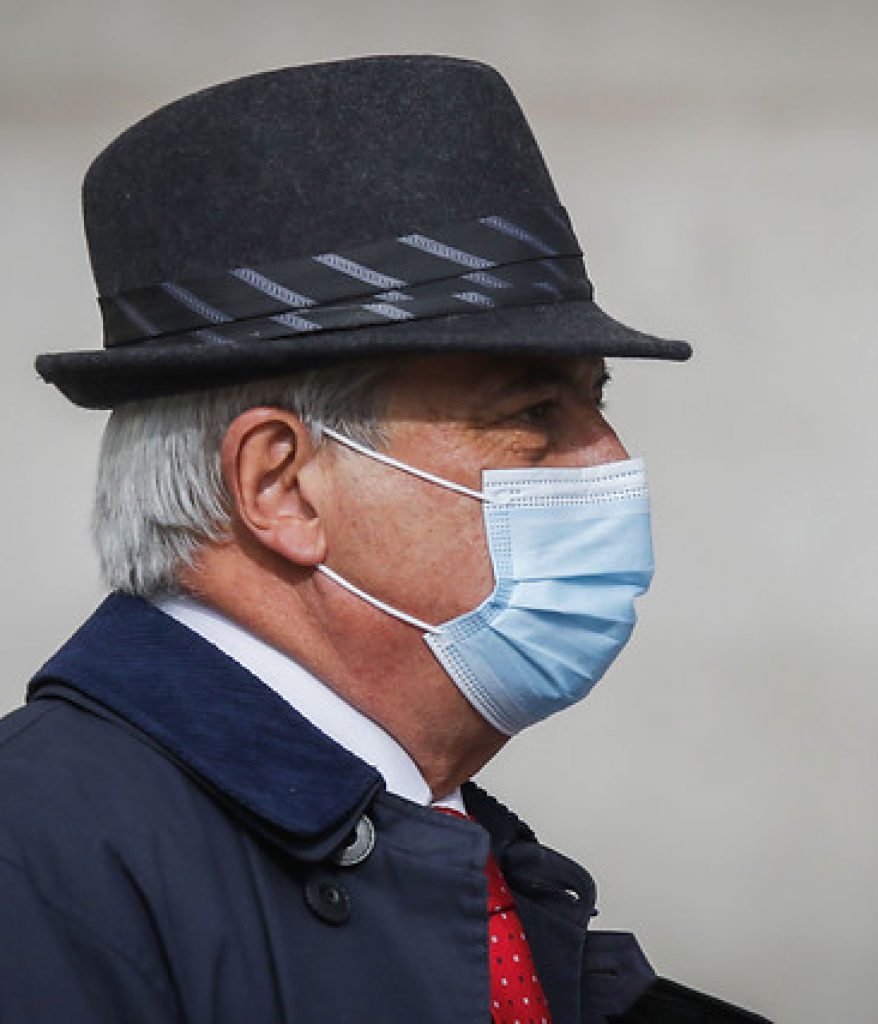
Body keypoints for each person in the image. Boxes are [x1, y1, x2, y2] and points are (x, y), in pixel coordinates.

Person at [0, 57, 769, 1023]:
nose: (611, 459)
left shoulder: (445, 865)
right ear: (281, 486)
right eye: (533, 411)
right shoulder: (39, 864)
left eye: (597, 401)